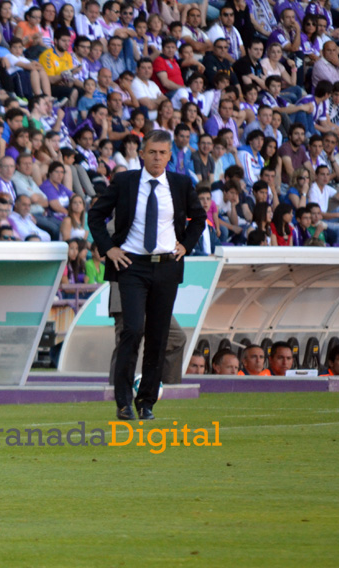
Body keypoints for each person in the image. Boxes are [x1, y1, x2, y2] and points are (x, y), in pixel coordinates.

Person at [88, 130, 205, 421]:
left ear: (170, 156)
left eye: (162, 153)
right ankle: (124, 401)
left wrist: (186, 245)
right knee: (132, 329)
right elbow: (95, 215)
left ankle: (147, 402)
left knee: (159, 335)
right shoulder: (125, 181)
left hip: (166, 266)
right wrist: (109, 249)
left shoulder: (179, 183)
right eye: (152, 152)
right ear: (142, 153)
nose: (157, 158)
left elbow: (199, 217)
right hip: (131, 265)